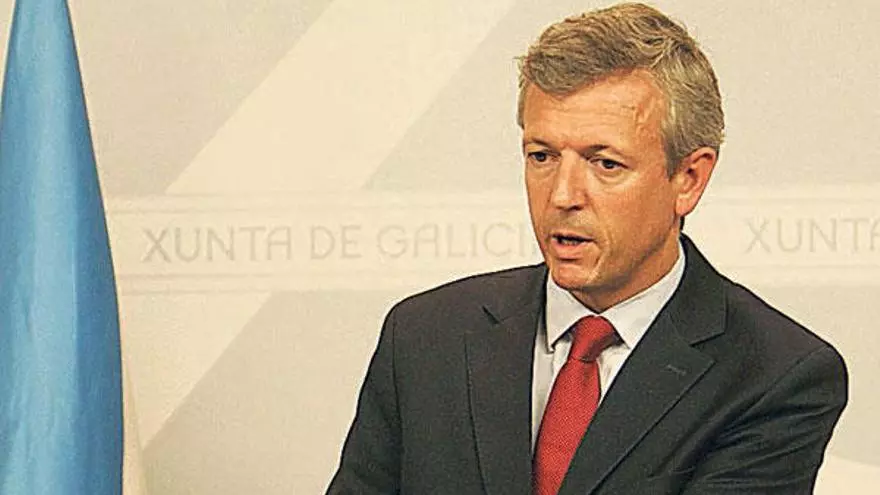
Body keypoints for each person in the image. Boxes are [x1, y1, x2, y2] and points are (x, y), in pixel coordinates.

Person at [326, 3, 848, 494]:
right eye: (542, 156)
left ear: (689, 179)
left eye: (605, 164)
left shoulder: (776, 376)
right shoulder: (424, 337)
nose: (562, 195)